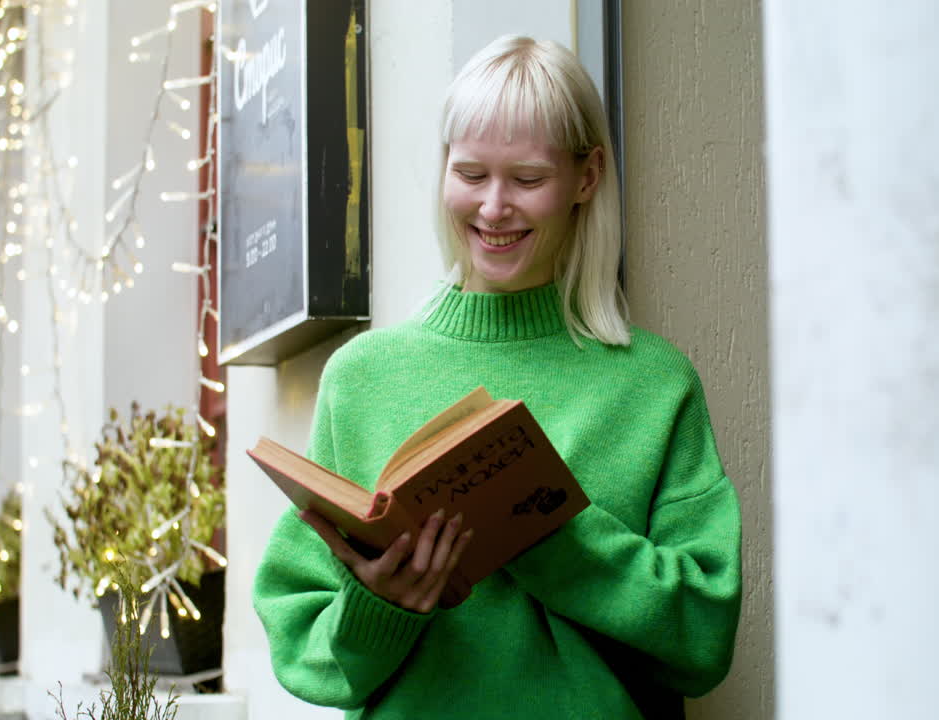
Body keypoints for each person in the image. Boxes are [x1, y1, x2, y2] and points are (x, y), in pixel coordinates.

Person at [253, 35, 742, 719]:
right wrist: (382, 605)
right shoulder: (361, 377)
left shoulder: (657, 384)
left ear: (587, 177)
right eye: (472, 174)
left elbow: (703, 638)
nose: (492, 208)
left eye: (529, 179)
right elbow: (307, 646)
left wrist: (544, 530)